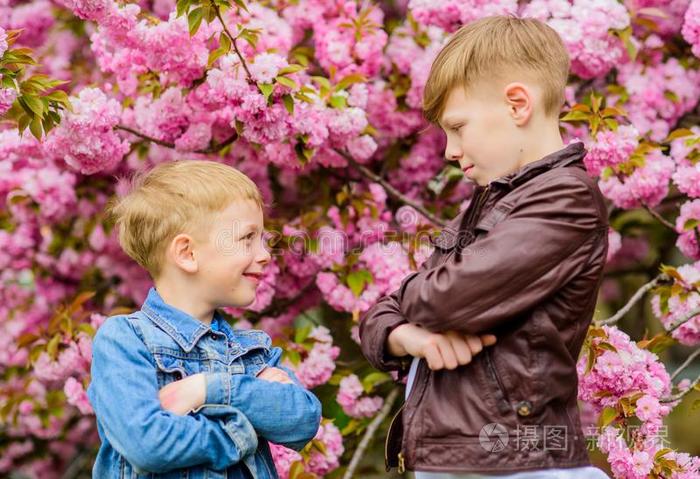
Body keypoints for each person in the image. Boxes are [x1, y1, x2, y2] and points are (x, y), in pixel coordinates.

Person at [359, 15, 610, 478]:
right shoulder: (488, 206)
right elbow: (379, 315)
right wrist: (405, 335)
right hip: (465, 460)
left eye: (457, 126)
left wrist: (411, 300)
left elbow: (447, 298)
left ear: (517, 104)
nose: (449, 151)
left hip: (517, 465)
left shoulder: (566, 199)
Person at [86, 160, 322, 479]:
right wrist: (241, 432)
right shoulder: (125, 339)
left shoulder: (251, 350)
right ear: (188, 253)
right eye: (247, 238)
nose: (265, 253)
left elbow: (301, 420)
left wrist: (208, 390)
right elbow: (149, 444)